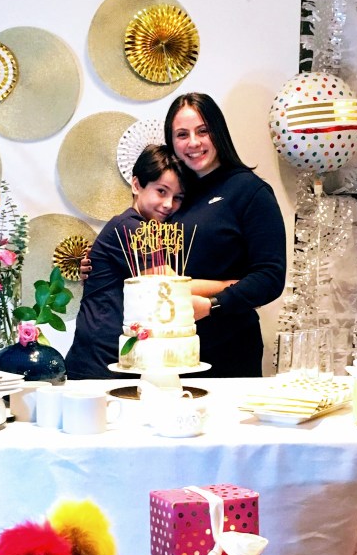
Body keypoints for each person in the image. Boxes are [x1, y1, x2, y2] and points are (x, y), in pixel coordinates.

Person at [65, 144, 234, 379]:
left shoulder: (138, 227)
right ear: (136, 185)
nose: (168, 204)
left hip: (115, 358)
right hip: (100, 363)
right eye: (161, 191)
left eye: (177, 197)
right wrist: (234, 285)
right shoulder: (132, 228)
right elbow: (171, 287)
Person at [164, 92, 287, 377]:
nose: (193, 142)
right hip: (170, 350)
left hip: (228, 350)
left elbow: (270, 277)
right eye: (182, 134)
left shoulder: (250, 191)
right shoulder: (173, 197)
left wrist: (211, 306)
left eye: (203, 131)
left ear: (218, 132)